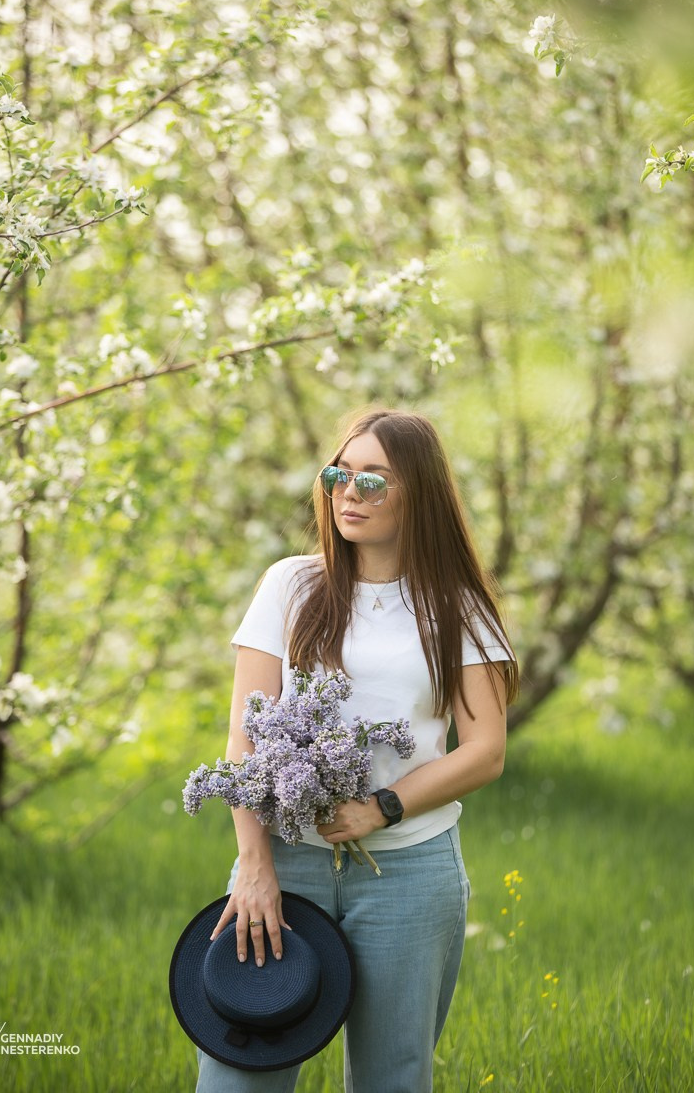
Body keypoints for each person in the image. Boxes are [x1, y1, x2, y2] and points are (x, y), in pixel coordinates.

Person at [195, 407, 519, 1093]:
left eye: (373, 480)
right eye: (339, 474)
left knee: (390, 1079)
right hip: (284, 862)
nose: (349, 492)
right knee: (237, 1073)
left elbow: (485, 750)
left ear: (417, 494)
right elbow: (245, 739)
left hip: (407, 874)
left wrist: (381, 807)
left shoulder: (457, 607)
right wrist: (255, 864)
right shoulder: (290, 586)